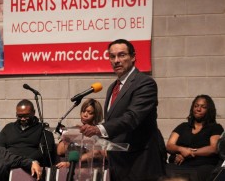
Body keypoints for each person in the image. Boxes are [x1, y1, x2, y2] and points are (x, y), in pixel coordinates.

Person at [79, 39, 165, 181]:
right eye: (112, 56)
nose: (116, 60)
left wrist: (98, 129)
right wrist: (90, 134)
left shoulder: (145, 83)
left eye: (122, 55)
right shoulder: (112, 88)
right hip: (118, 162)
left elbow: (132, 117)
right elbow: (112, 123)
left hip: (140, 161)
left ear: (133, 57)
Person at [166, 94, 224, 181]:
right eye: (196, 106)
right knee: (160, 170)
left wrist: (190, 152)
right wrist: (181, 149)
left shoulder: (215, 128)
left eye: (203, 107)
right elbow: (169, 145)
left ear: (209, 110)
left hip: (202, 167)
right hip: (180, 166)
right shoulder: (182, 126)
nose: (198, 109)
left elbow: (213, 148)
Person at [0, 99, 56, 167]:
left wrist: (24, 162)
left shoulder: (43, 130)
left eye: (26, 116)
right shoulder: (8, 128)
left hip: (31, 166)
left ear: (33, 112)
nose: (23, 119)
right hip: (8, 165)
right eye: (19, 116)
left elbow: (44, 152)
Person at [56, 98, 104, 169]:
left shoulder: (99, 131)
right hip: (70, 168)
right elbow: (60, 152)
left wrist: (71, 163)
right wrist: (67, 138)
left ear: (96, 115)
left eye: (89, 113)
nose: (85, 115)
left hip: (88, 169)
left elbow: (97, 153)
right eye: (83, 111)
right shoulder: (75, 130)